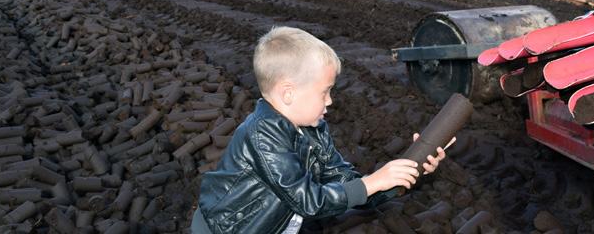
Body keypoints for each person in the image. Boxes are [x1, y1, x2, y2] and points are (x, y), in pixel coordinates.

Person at [192, 27, 454, 233]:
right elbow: (307, 201)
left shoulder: (314, 130)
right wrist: (373, 181)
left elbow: (346, 184)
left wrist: (402, 175)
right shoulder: (262, 135)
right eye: (325, 92)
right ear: (288, 93)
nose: (330, 101)